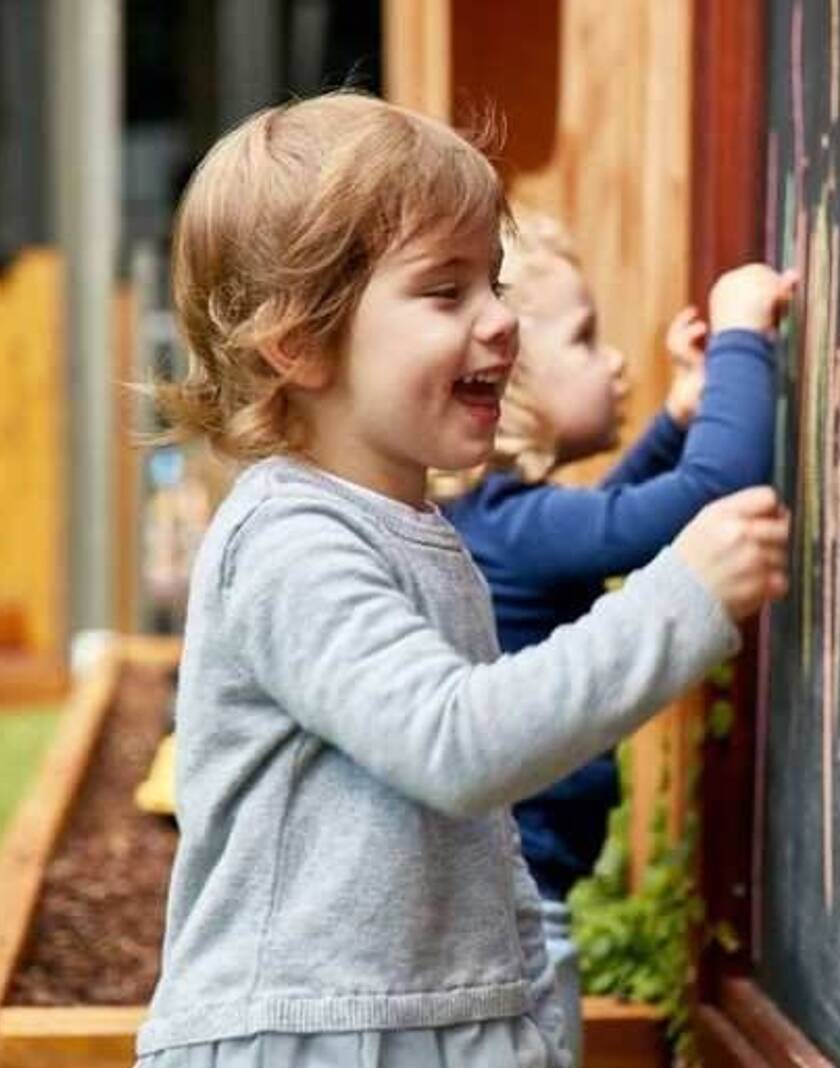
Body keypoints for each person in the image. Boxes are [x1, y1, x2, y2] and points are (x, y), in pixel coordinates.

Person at [133, 91, 793, 1068]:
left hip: (412, 1017)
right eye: (446, 291)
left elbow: (466, 851)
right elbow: (456, 741)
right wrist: (680, 597)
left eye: (493, 282)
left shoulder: (413, 528)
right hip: (305, 1035)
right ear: (300, 343)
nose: (501, 322)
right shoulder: (288, 542)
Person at [438, 212, 792, 1060]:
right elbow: (715, 490)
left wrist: (672, 422)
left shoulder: (489, 519)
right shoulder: (515, 523)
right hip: (526, 929)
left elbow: (607, 523)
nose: (615, 360)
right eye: (586, 339)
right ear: (512, 382)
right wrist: (742, 334)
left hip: (513, 906)